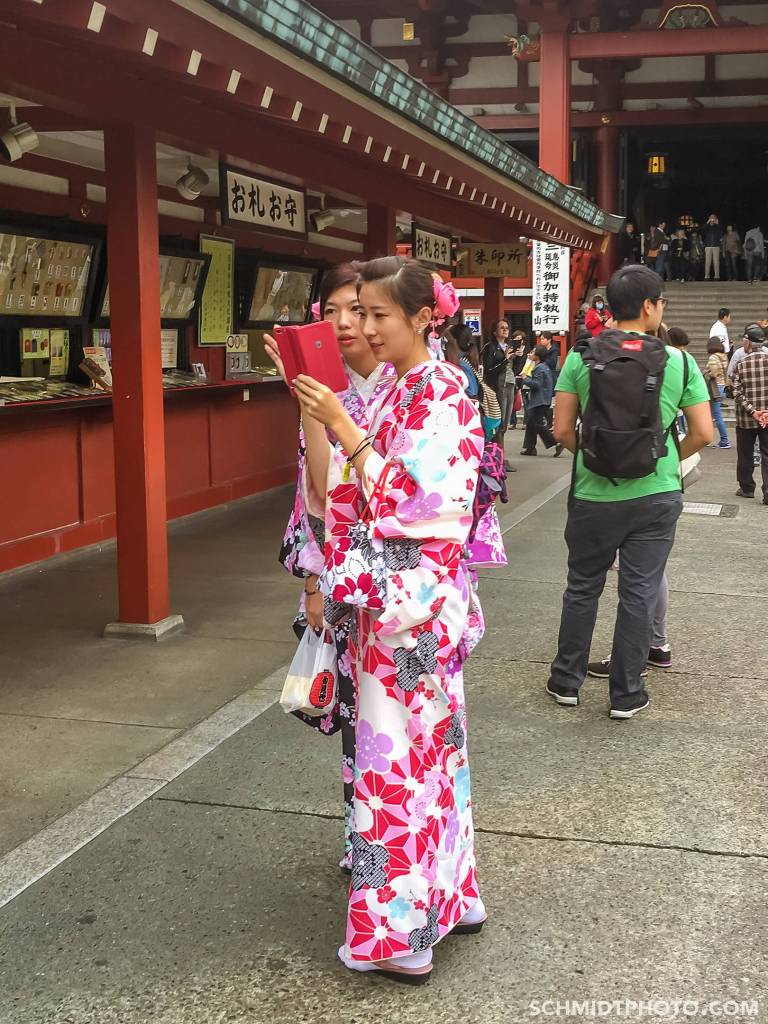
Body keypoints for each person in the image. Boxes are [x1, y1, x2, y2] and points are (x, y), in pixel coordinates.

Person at [294, 256, 486, 983]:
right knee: (431, 752)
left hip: (408, 608)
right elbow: (338, 491)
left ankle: (400, 936)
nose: (362, 327)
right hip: (405, 607)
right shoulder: (404, 390)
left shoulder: (438, 393)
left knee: (393, 762)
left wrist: (344, 424)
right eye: (357, 312)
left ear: (422, 319)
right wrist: (335, 426)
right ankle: (450, 893)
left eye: (377, 314)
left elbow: (418, 506)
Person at [271, 263, 397, 872]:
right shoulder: (326, 383)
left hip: (407, 585)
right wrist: (316, 578)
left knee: (408, 722)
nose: (347, 323)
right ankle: (361, 834)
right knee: (355, 717)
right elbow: (316, 491)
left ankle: (408, 847)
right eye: (332, 310)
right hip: (345, 575)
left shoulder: (418, 384)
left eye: (362, 309)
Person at [546, 264, 712, 719]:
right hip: (655, 496)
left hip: (593, 496)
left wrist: (597, 456)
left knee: (582, 587)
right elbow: (703, 432)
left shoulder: (579, 357)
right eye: (661, 303)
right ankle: (626, 693)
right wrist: (663, 458)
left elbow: (561, 430)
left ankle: (565, 681)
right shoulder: (679, 361)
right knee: (638, 593)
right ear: (648, 306)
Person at [731, 330, 768, 503]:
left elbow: (737, 394)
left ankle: (747, 488)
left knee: (745, 453)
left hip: (746, 420)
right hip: (767, 419)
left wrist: (753, 411)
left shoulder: (741, 364)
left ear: (748, 343)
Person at [520, 345, 563, 458]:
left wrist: (525, 379)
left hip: (539, 400)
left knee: (537, 423)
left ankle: (555, 442)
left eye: (533, 352)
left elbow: (537, 384)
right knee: (531, 423)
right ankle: (530, 447)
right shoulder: (545, 367)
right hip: (544, 399)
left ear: (537, 356)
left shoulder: (539, 368)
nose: (531, 353)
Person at [481, 318, 510, 440]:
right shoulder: (490, 347)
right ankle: (495, 454)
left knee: (505, 422)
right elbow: (489, 370)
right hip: (495, 386)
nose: (505, 330)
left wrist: (520, 357)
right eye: (502, 328)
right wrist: (505, 359)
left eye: (507, 328)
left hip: (510, 384)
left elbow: (516, 369)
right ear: (494, 331)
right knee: (496, 420)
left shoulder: (508, 346)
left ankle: (500, 453)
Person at [705, 337, 730, 449]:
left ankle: (724, 440)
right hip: (721, 386)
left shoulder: (713, 358)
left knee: (716, 414)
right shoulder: (723, 356)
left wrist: (706, 373)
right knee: (712, 413)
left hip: (714, 386)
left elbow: (714, 374)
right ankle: (708, 438)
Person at [703, 214, 723, 281]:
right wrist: (707, 223)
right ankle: (706, 276)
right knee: (707, 262)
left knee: (716, 262)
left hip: (716, 246)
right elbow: (703, 231)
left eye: (714, 218)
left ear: (716, 219)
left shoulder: (717, 227)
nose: (712, 219)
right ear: (709, 218)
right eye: (711, 217)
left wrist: (717, 224)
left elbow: (720, 233)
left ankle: (717, 276)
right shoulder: (707, 227)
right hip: (708, 246)